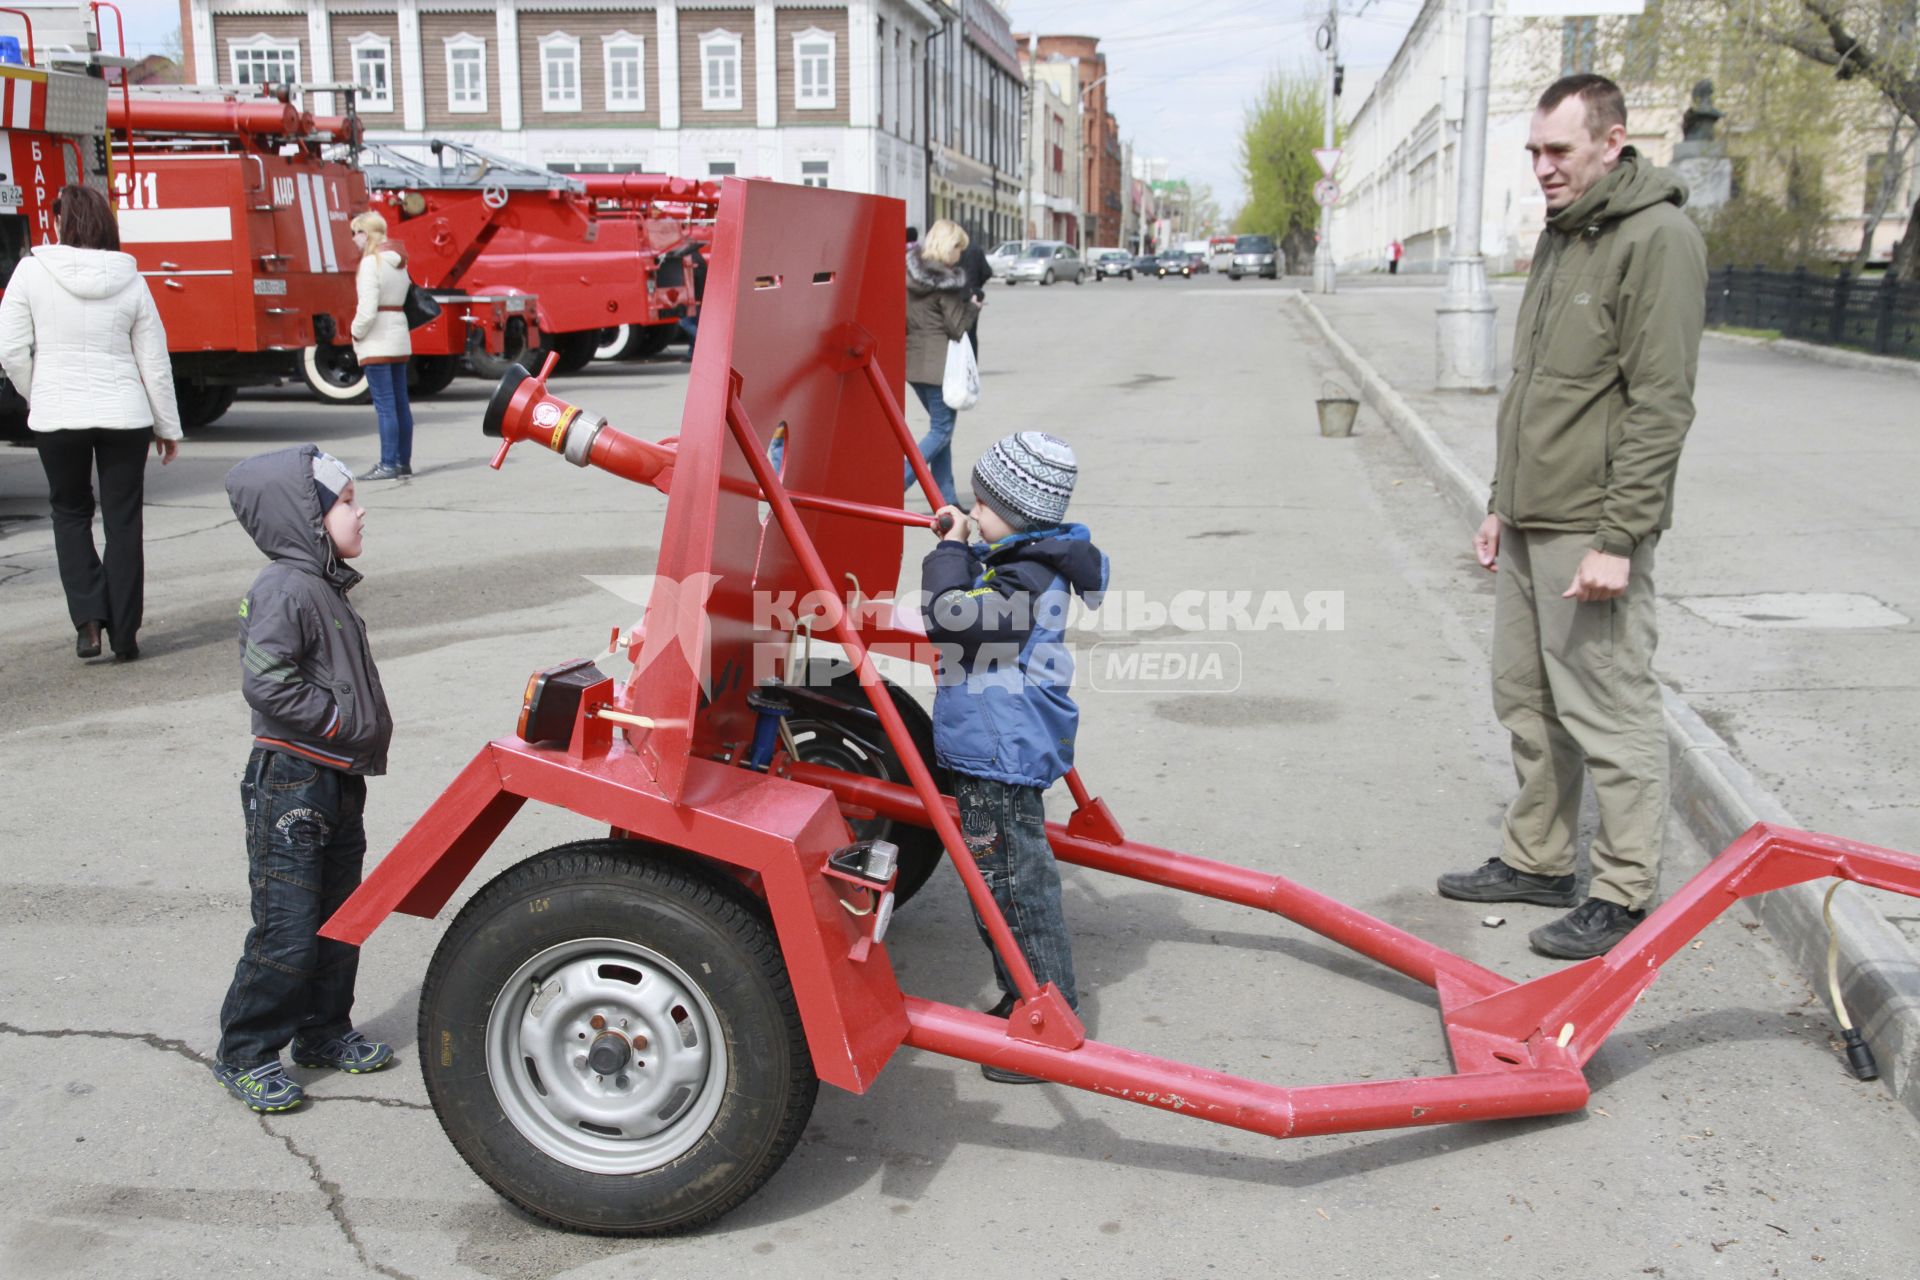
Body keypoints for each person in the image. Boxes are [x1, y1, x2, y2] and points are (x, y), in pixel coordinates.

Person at [1437, 74, 1707, 960]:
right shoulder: (1566, 234)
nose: (1543, 168)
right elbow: (1540, 390)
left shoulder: (1656, 238)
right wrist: (1498, 504)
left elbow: (1659, 404)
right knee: (1527, 700)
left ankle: (1624, 895)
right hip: (1530, 516)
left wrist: (1619, 540)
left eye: (1559, 150)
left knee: (1609, 709)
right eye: (1535, 152)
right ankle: (1539, 858)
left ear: (1612, 140)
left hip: (1592, 524)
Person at [213, 446, 396, 1112]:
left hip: (338, 782)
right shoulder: (283, 589)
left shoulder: (324, 586)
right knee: (288, 929)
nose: (360, 511)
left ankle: (322, 1031)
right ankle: (247, 1049)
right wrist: (337, 723)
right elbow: (266, 681)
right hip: (292, 782)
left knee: (338, 921)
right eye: (346, 502)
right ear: (306, 517)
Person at [921, 433, 1107, 1083]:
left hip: (997, 754)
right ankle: (1022, 990)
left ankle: (1049, 1017)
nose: (974, 508)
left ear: (1020, 511)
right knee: (1001, 884)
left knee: (1014, 891)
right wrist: (970, 545)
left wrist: (949, 549)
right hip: (998, 743)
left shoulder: (1024, 581)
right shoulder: (1026, 560)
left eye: (984, 502)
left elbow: (950, 617)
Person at [0, 183, 181, 661]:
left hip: (58, 414)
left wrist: (35, 392)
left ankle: (88, 622)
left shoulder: (30, 273)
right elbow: (154, 360)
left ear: (62, 223)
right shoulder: (132, 278)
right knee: (124, 520)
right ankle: (126, 633)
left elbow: (11, 351)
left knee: (70, 512)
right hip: (125, 414)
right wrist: (167, 426)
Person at [903, 219, 979, 506]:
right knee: (942, 430)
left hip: (914, 365)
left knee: (941, 431)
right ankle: (900, 480)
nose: (960, 254)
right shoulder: (946, 284)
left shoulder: (910, 276)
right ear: (949, 247)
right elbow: (956, 328)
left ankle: (946, 499)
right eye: (959, 247)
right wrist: (972, 306)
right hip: (939, 368)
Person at [347, 211, 413, 481]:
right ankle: (403, 461)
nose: (354, 239)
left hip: (377, 339)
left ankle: (387, 463)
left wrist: (355, 333)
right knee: (400, 404)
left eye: (356, 232)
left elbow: (367, 309)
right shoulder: (398, 262)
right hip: (398, 335)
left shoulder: (370, 263)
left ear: (367, 234)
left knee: (384, 405)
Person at [958, 238, 991, 360]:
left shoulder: (951, 250)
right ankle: (971, 365)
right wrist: (977, 285)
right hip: (974, 293)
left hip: (957, 293)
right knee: (971, 332)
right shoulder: (976, 249)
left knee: (957, 331)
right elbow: (987, 272)